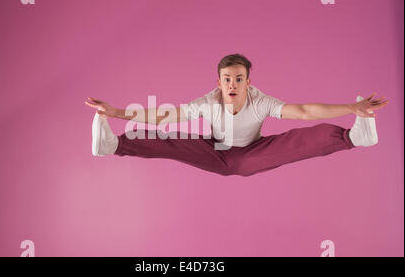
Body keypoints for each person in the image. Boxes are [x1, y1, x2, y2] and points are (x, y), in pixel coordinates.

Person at [84, 54, 389, 176]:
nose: (232, 84)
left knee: (298, 140)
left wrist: (352, 108)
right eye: (227, 79)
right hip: (214, 150)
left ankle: (354, 136)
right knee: (170, 139)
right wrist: (116, 112)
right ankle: (114, 145)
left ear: (248, 82)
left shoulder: (260, 101)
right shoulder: (208, 100)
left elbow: (303, 111)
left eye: (239, 79)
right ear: (218, 82)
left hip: (253, 152)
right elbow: (166, 116)